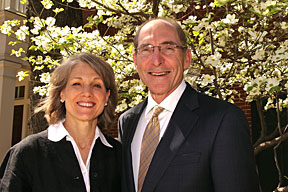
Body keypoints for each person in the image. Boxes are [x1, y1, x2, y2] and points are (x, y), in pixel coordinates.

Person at [118, 17, 259, 192]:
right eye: (146, 49)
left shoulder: (223, 120)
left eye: (168, 48)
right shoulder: (127, 122)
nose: (156, 60)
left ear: (186, 58)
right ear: (135, 61)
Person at [0, 52, 121, 192]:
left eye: (97, 85)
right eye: (77, 84)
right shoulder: (28, 152)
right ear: (62, 93)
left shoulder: (119, 155)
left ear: (106, 97)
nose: (87, 92)